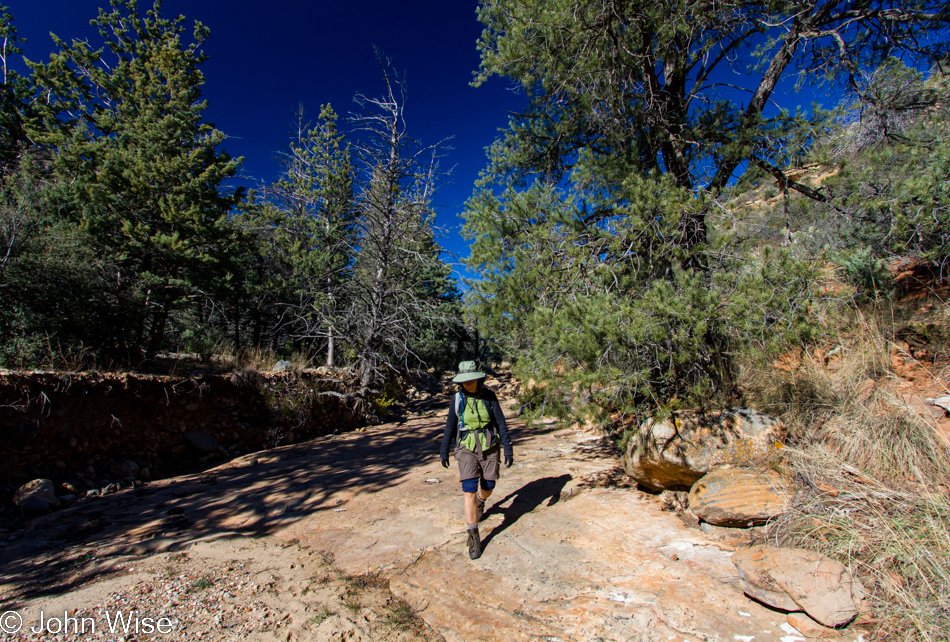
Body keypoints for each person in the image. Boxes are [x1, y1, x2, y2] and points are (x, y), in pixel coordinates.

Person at [440, 361, 513, 559]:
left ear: (478, 379)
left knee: (488, 485)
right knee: (469, 489)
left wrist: (508, 447)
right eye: (464, 381)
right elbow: (450, 426)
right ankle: (473, 534)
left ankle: (482, 501)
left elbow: (500, 422)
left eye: (471, 380)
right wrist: (444, 449)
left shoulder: (489, 396)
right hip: (466, 447)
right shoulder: (457, 399)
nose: (468, 384)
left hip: (489, 445)